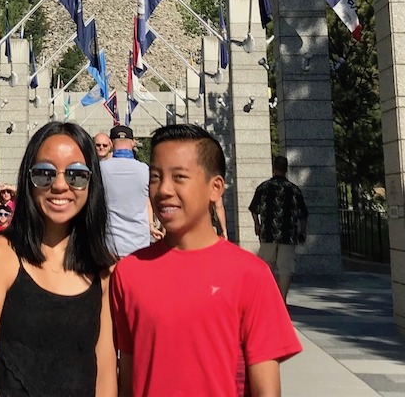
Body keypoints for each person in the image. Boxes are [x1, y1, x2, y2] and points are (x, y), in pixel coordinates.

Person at [111, 125, 301, 397]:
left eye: (179, 177)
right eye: (155, 176)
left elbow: (266, 388)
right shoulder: (129, 272)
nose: (164, 189)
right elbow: (127, 372)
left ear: (215, 187)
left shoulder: (251, 275)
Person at [0, 121, 116, 397]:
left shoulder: (103, 268)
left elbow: (105, 375)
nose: (59, 185)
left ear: (92, 182)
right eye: (44, 173)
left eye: (76, 175)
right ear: (28, 179)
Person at [248, 155, 309, 300]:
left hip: (268, 232)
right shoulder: (294, 190)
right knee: (285, 268)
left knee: (267, 266)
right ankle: (282, 300)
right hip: (288, 234)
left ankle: (268, 298)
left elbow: (253, 209)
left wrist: (257, 225)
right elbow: (303, 214)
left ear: (273, 168)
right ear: (286, 169)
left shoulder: (263, 187)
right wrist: (302, 232)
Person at [99, 125, 158, 257]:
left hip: (110, 245)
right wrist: (151, 225)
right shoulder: (145, 170)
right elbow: (150, 201)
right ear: (133, 142)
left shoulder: (100, 169)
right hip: (140, 245)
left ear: (110, 143)